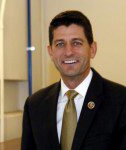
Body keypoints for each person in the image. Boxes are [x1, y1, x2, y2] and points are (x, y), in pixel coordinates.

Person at [21, 10, 126, 150]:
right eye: (60, 44)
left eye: (76, 43)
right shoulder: (34, 105)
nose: (68, 51)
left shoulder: (121, 100)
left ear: (92, 49)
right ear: (50, 51)